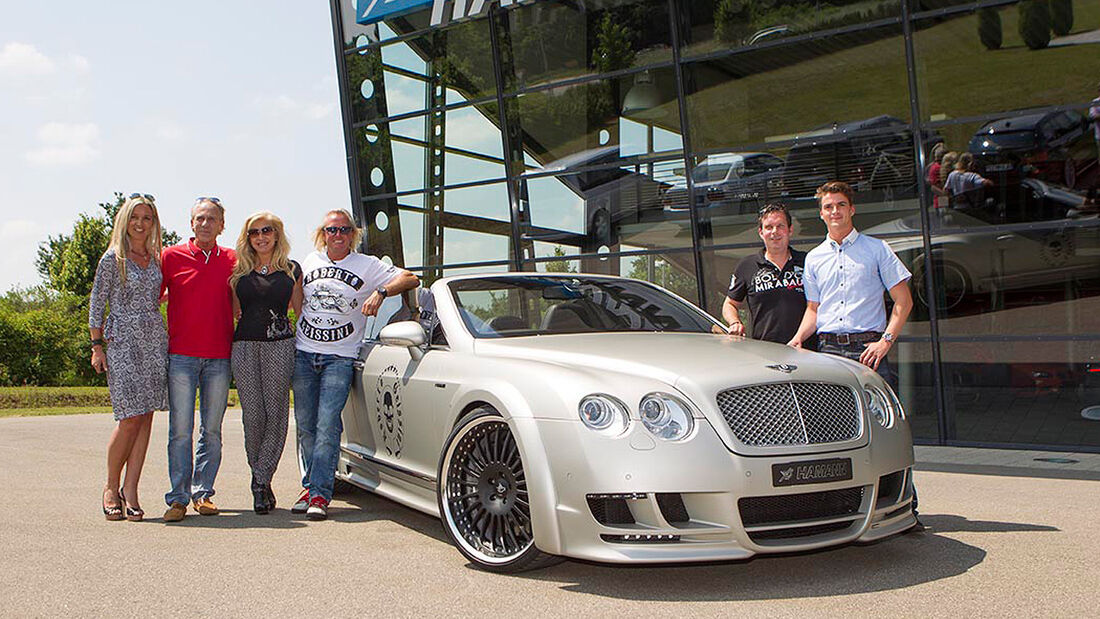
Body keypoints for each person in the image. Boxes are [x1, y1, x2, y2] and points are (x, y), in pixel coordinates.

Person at [292, 209, 419, 520]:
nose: (338, 235)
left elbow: (411, 277)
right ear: (323, 234)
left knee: (327, 423)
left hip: (340, 355)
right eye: (332, 229)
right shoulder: (309, 262)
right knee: (306, 426)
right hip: (304, 352)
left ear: (353, 234)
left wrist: (380, 291)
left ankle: (320, 494)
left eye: (344, 229)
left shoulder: (367, 265)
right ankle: (309, 485)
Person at [787, 181, 913, 390]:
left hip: (868, 351)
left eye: (841, 205)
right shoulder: (813, 258)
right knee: (835, 420)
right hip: (828, 352)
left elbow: (904, 301)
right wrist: (798, 338)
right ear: (821, 214)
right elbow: (813, 309)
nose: (835, 211)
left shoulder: (877, 249)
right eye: (828, 207)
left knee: (878, 416)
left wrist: (886, 342)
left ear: (851, 210)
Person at [89, 193, 168, 522]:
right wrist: (96, 346)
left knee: (146, 416)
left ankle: (131, 489)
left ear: (154, 223)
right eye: (135, 217)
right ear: (125, 220)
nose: (140, 223)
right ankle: (110, 486)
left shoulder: (157, 258)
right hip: (122, 343)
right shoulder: (113, 258)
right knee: (128, 418)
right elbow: (97, 302)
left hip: (153, 341)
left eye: (147, 217)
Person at [160, 197, 236, 522]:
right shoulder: (170, 257)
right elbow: (152, 297)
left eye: (212, 219)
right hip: (181, 357)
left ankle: (203, 494)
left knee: (212, 430)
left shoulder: (233, 259)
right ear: (191, 223)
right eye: (200, 219)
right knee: (180, 430)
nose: (205, 224)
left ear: (222, 225)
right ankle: (177, 499)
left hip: (220, 356)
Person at [229, 212, 302, 514]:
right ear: (248, 238)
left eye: (266, 231)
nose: (260, 237)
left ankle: (260, 482)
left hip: (280, 346)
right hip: (244, 346)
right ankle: (261, 476)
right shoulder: (237, 272)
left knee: (277, 414)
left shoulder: (292, 270)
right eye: (254, 232)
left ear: (277, 234)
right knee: (254, 416)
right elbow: (235, 313)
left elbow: (301, 311)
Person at [723, 203, 816, 350]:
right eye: (769, 227)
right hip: (765, 352)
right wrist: (735, 322)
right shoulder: (747, 265)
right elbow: (729, 304)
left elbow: (818, 306)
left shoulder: (808, 262)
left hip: (806, 350)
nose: (775, 232)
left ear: (790, 230)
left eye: (780, 226)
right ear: (761, 232)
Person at [926, 143, 947, 209]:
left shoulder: (938, 166)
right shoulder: (936, 167)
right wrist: (945, 195)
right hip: (941, 199)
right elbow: (934, 187)